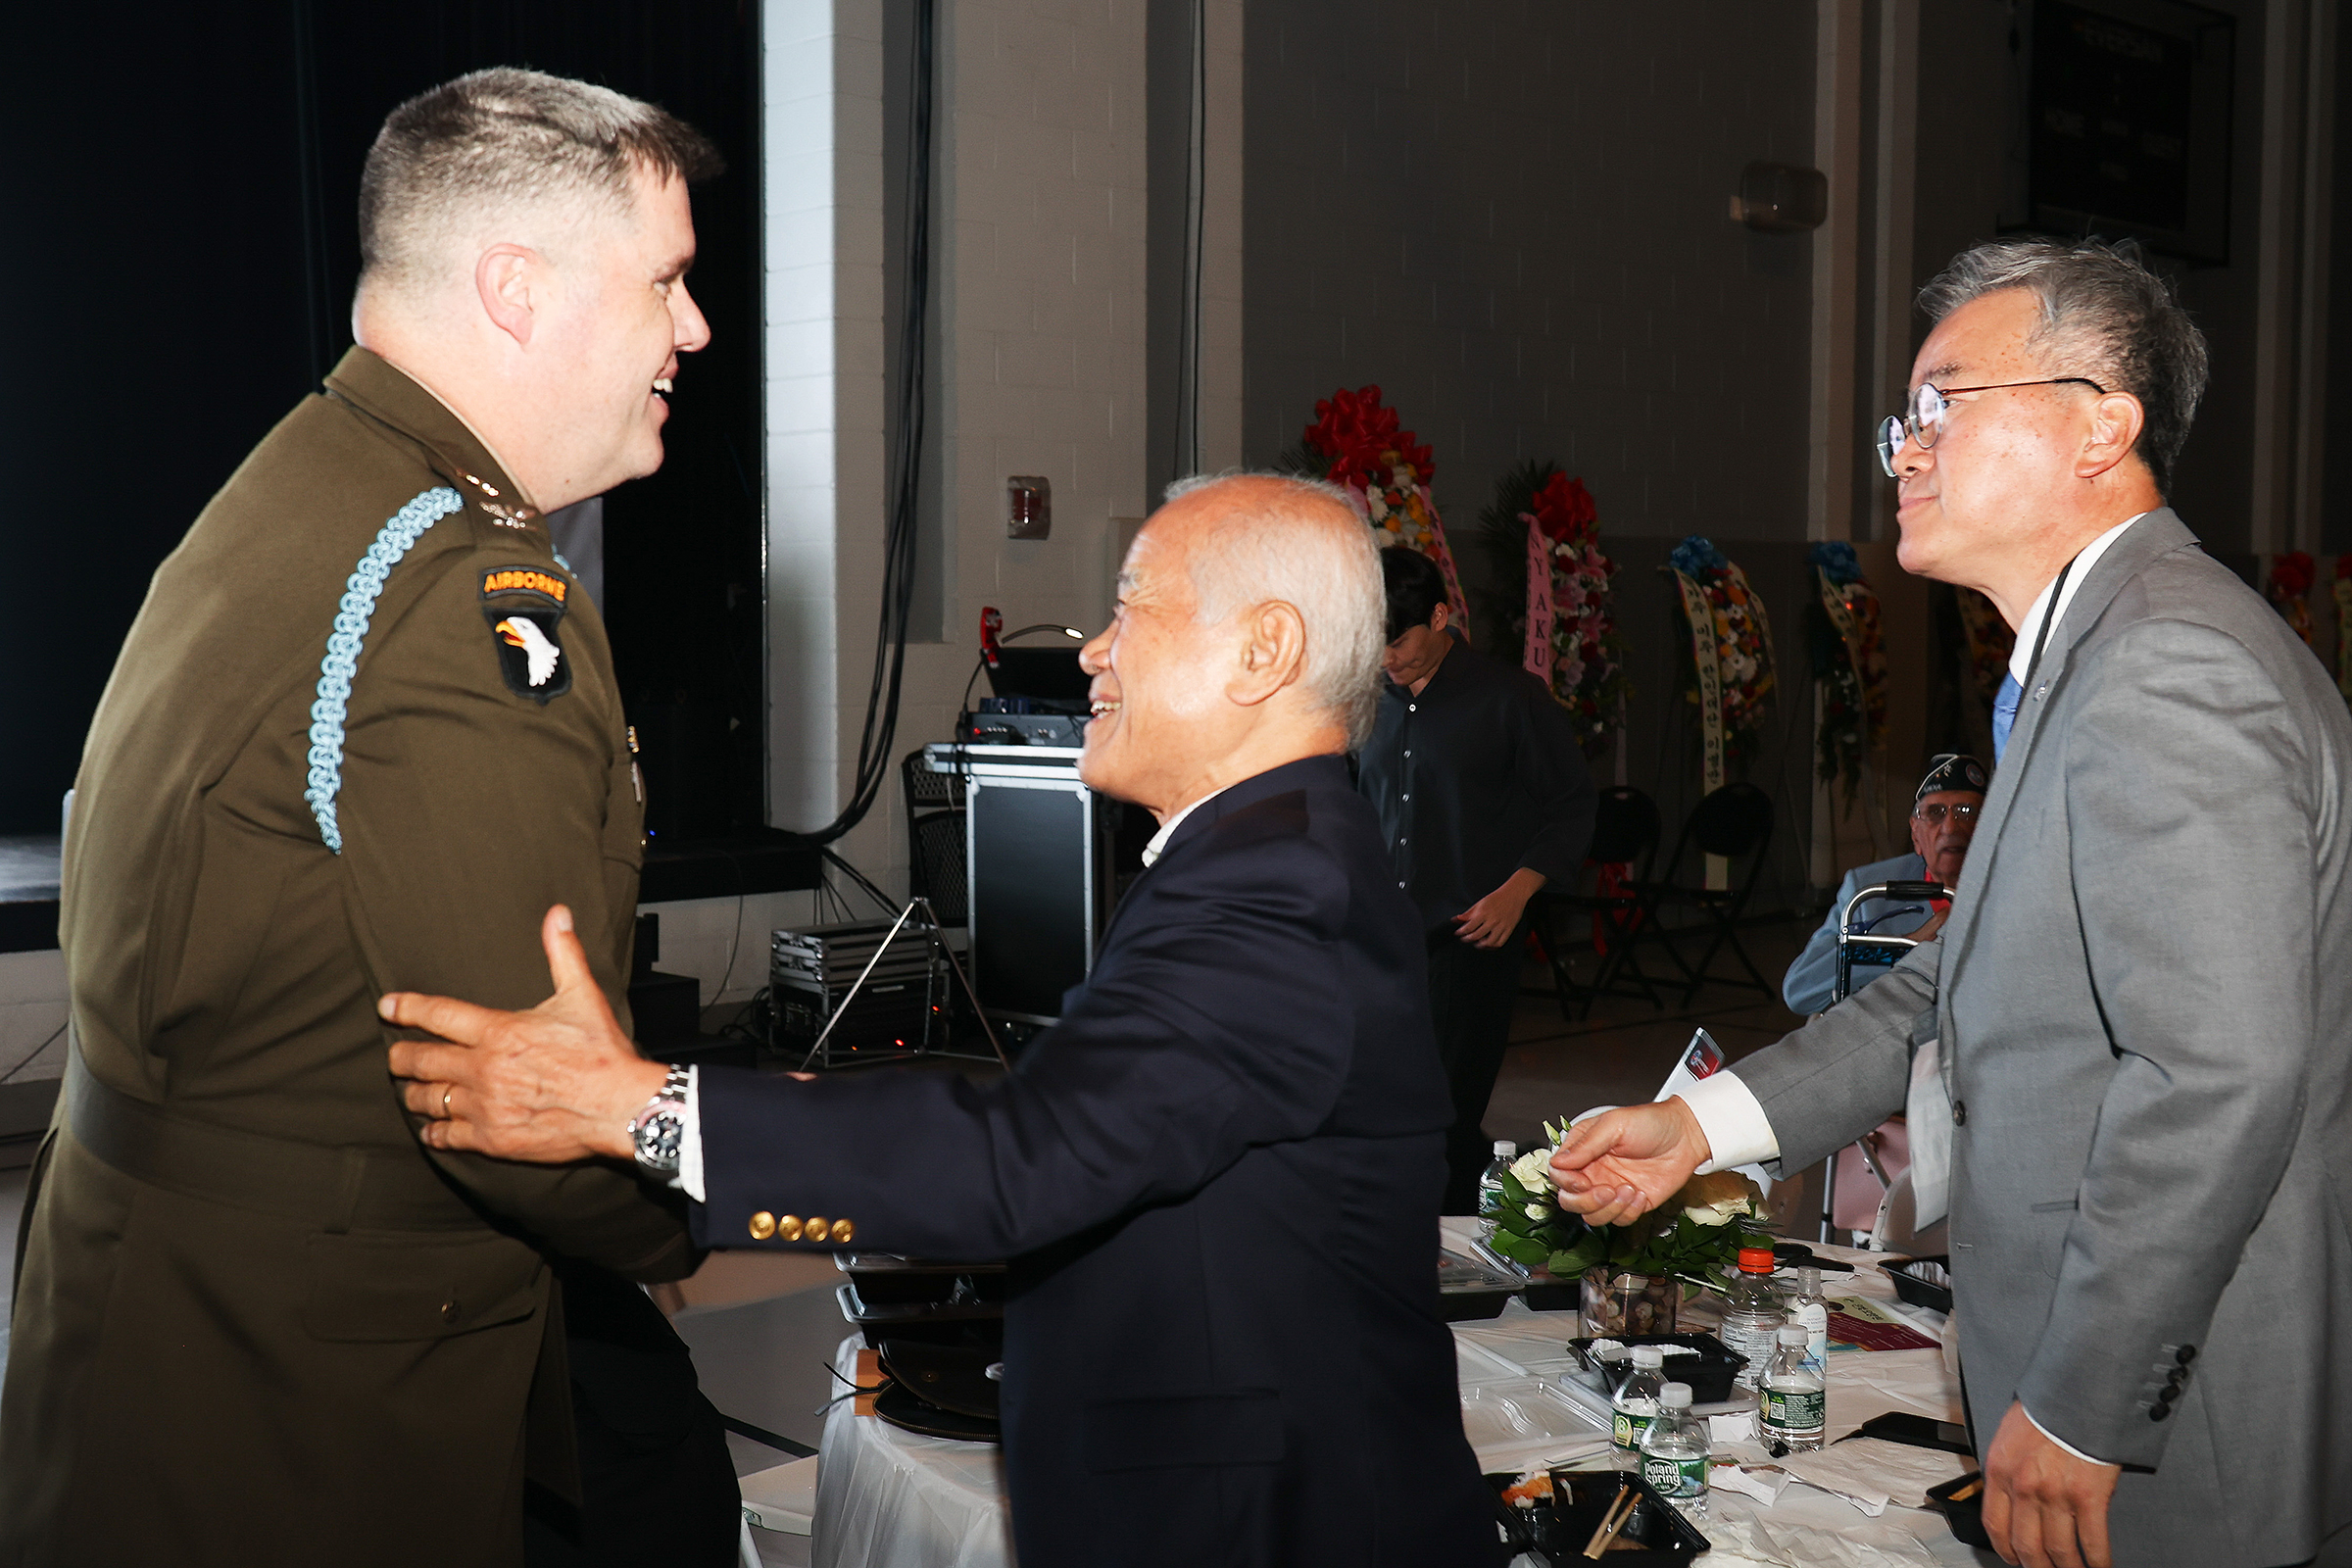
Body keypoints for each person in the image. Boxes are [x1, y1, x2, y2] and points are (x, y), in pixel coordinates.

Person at [379, 474, 1503, 1568]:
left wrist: (642, 1108)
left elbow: (1028, 1150)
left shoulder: (1278, 888)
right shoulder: (1263, 851)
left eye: (1128, 609)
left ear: (1265, 650)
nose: (1092, 654)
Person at [1, 71, 741, 1567]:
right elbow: (515, 1104)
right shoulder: (462, 588)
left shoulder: (319, 480)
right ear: (516, 291)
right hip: (307, 1390)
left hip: (166, 1328)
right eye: (665, 281)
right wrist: (727, 1198)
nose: (694, 329)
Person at [1547, 238, 2352, 1568]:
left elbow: (2219, 1072)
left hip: (2172, 1416)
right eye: (1898, 422)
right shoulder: (2088, 658)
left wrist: (2090, 1406)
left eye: (1940, 406)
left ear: (2102, 425)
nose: (1903, 453)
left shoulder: (2166, 667)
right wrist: (1704, 1127)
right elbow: (1948, 979)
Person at [1356, 546, 1596, 1211]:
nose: (1388, 660)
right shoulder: (1363, 700)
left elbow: (1573, 805)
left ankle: (1455, 1261)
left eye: (1399, 641)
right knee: (1379, 1114)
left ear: (1439, 616)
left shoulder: (1508, 697)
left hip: (1469, 943)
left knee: (1444, 1119)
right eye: (1373, 644)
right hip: (1379, 944)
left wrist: (1517, 891)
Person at [1781, 752, 1987, 1015]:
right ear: (1915, 833)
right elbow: (1799, 990)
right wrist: (1900, 950)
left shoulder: (2014, 890)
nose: (1949, 827)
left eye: (1966, 812)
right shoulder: (1869, 893)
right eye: (1935, 813)